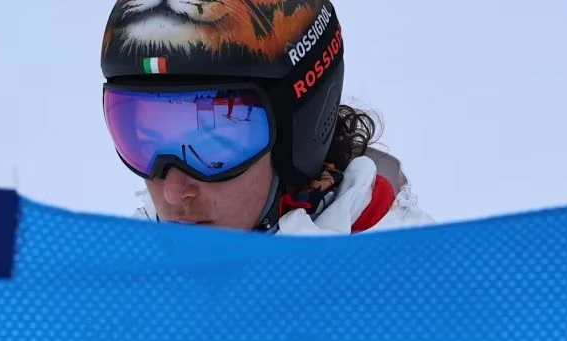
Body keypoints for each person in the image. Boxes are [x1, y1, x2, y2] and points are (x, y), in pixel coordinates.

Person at [99, 0, 434, 235]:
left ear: (299, 137)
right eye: (145, 139)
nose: (173, 192)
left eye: (215, 141)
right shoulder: (125, 297)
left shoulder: (410, 295)